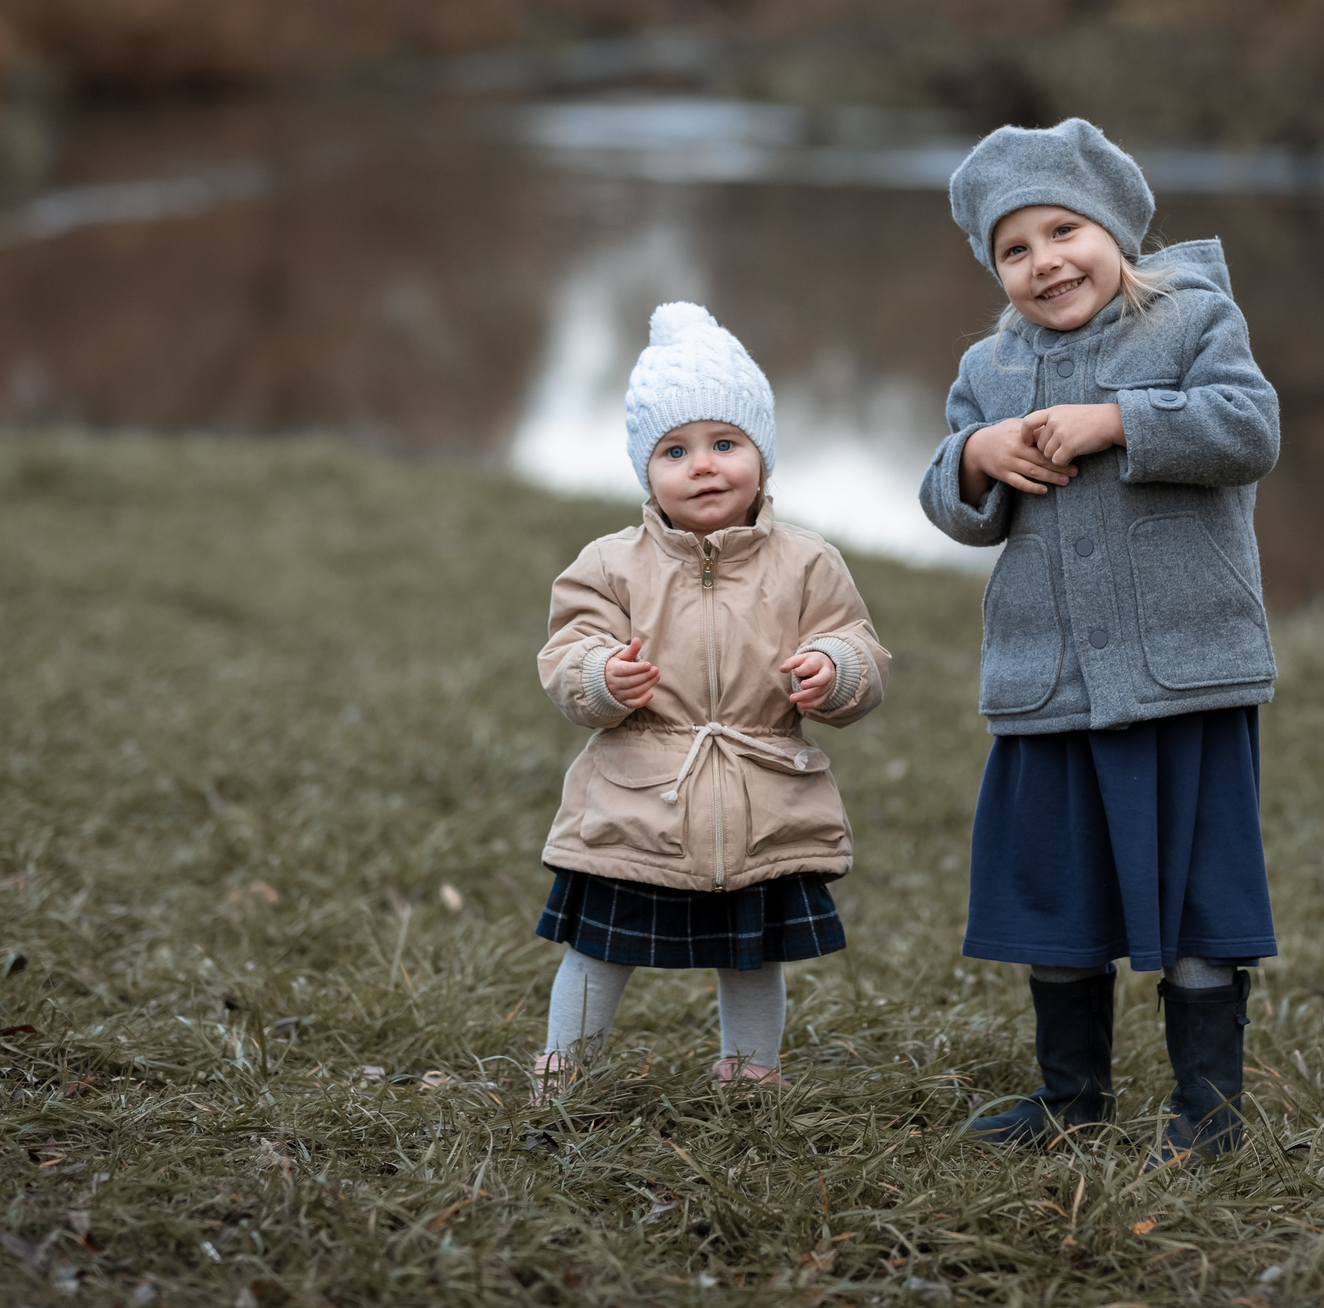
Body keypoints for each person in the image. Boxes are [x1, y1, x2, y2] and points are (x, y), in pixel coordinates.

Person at [920, 117, 1281, 1164]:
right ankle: (1069, 1095)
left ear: (1115, 227)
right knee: (1054, 893)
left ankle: (1207, 1115)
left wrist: (1117, 419)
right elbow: (955, 507)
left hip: (1185, 674)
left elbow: (1248, 428)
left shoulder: (1194, 319)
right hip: (1052, 681)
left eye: (1063, 228)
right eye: (1014, 248)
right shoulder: (986, 366)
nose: (1045, 261)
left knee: (1200, 892)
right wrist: (975, 454)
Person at [531, 302, 889, 1091]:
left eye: (726, 444)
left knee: (751, 952)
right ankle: (564, 1071)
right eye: (675, 449)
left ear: (762, 455)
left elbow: (858, 643)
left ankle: (751, 1072)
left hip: (763, 798)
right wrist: (600, 678)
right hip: (639, 800)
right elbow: (567, 651)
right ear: (644, 469)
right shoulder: (611, 563)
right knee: (599, 948)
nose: (703, 465)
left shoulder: (807, 562)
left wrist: (837, 668)